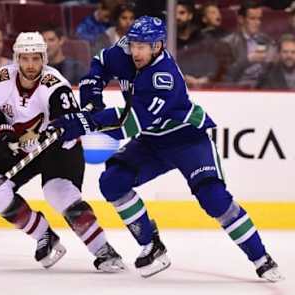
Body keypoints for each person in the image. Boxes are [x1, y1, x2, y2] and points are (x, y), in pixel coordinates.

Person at [50, 16, 283, 281]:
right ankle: (152, 246)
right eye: (134, 44)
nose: (136, 51)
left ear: (158, 46)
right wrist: (91, 101)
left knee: (214, 198)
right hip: (152, 140)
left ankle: (262, 258)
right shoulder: (127, 49)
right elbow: (101, 63)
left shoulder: (164, 78)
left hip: (186, 140)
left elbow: (127, 124)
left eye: (143, 46)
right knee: (113, 182)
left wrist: (80, 123)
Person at [0, 32, 125, 272]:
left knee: (58, 193)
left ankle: (103, 250)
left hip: (58, 148)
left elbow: (72, 128)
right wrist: (1, 137)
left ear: (44, 58)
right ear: (16, 59)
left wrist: (58, 132)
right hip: (20, 146)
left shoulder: (56, 86)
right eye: (25, 59)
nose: (31, 65)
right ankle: (44, 235)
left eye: (36, 58)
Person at [222, 0, 277, 88]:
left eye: (259, 18)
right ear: (241, 19)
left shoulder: (268, 41)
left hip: (264, 89)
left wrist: (273, 60)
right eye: (252, 18)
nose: (257, 23)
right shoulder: (228, 43)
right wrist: (248, 60)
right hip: (238, 90)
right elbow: (226, 75)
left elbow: (273, 71)